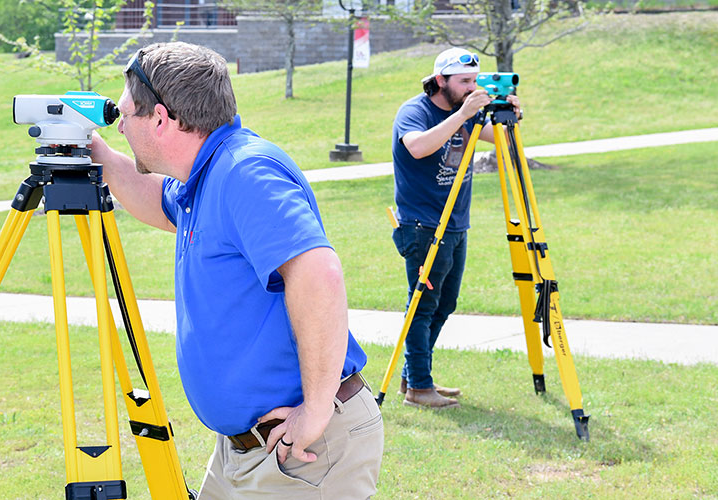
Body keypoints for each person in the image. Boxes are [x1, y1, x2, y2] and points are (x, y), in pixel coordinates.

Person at [89, 42, 383, 499]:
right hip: (245, 451)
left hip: (301, 452)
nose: (121, 125)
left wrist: (317, 411)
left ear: (162, 118)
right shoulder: (204, 176)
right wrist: (99, 156)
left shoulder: (245, 172)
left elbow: (319, 272)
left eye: (125, 115)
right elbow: (154, 200)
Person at [390, 48, 521, 409]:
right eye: (463, 82)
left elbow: (504, 140)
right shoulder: (415, 111)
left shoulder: (467, 113)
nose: (470, 88)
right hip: (423, 225)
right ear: (441, 80)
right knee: (422, 304)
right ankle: (419, 387)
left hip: (456, 222)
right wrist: (463, 114)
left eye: (474, 82)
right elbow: (417, 148)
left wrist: (509, 115)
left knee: (445, 304)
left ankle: (415, 375)